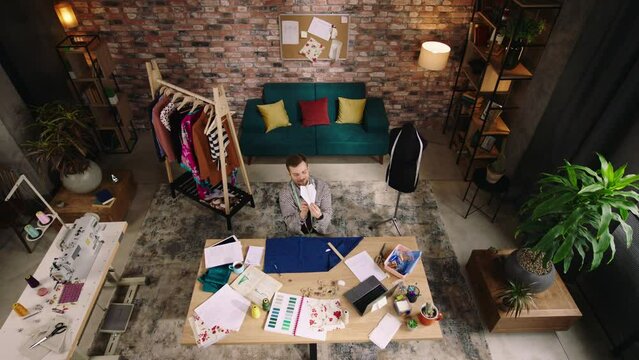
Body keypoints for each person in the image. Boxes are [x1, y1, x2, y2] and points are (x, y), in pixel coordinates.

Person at [279, 154, 334, 235]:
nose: (301, 177)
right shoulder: (284, 193)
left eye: (304, 172)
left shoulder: (323, 187)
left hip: (321, 232)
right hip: (298, 234)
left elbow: (328, 217)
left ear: (308, 169)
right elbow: (290, 226)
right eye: (296, 174)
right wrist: (301, 215)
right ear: (289, 174)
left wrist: (320, 216)